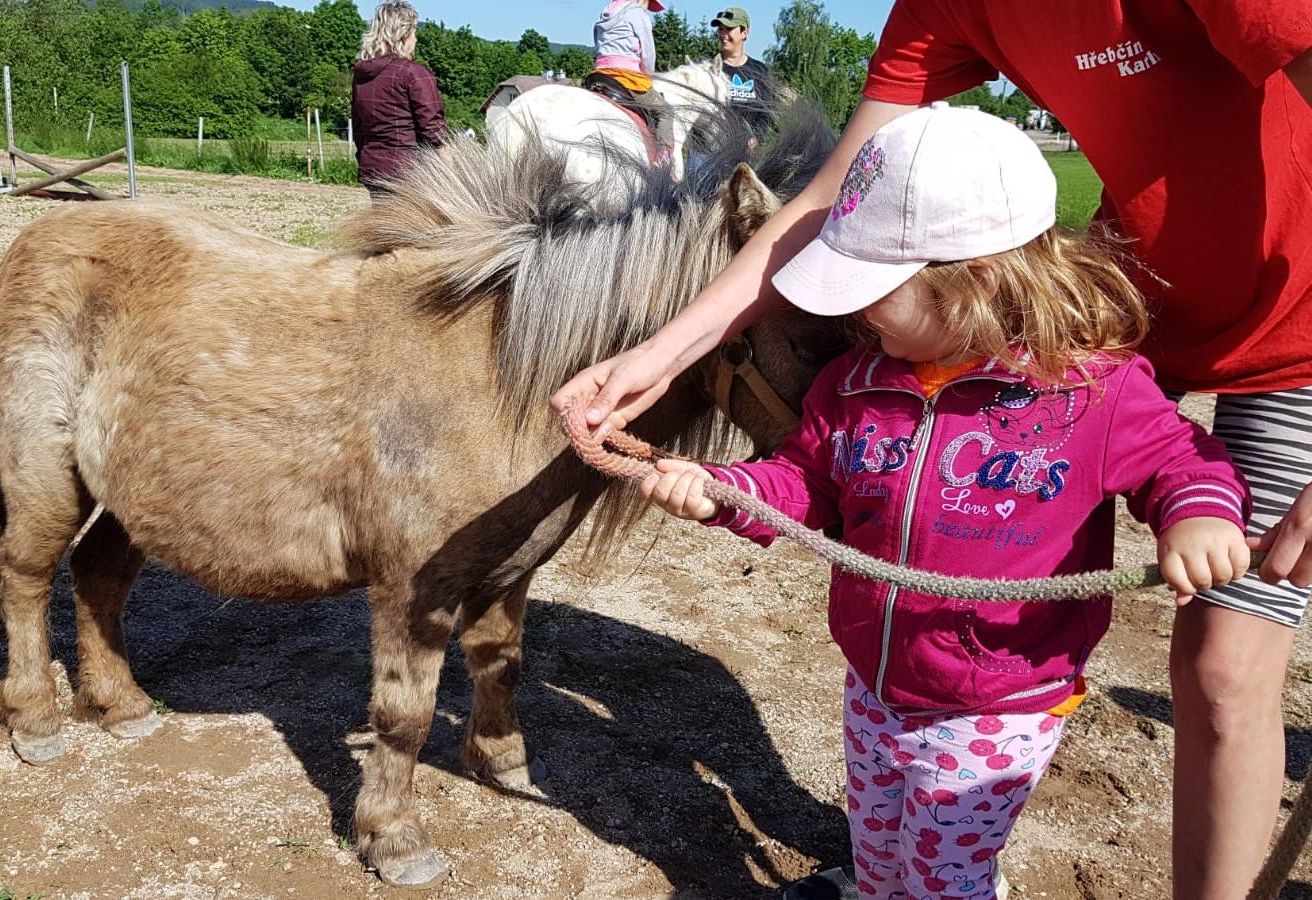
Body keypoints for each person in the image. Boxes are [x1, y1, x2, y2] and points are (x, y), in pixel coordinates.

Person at [553, 5, 1312, 896]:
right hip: (886, 684)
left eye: (875, 288)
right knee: (887, 853)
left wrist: (1199, 510)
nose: (853, 312)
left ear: (978, 282)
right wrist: (720, 472)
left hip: (1292, 321)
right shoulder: (867, 382)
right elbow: (806, 474)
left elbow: (1175, 460)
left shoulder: (1088, 392)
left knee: (1223, 671)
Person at [350, 0, 445, 199]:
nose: (416, 40)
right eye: (414, 33)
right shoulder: (414, 73)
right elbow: (435, 133)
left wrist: (366, 158)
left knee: (383, 228)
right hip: (410, 174)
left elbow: (359, 129)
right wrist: (452, 175)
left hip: (374, 170)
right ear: (402, 35)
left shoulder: (361, 75)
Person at [591, 0, 675, 153]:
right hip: (627, 77)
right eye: (648, 4)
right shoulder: (637, 13)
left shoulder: (606, 13)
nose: (647, 8)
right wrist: (648, 76)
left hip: (599, 75)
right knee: (665, 111)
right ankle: (664, 160)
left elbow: (597, 42)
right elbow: (648, 54)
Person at [711, 7, 773, 140]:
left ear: (744, 33)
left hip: (746, 153)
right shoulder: (710, 69)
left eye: (729, 29)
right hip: (712, 151)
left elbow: (766, 112)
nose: (723, 35)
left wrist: (756, 137)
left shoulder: (759, 70)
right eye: (720, 29)